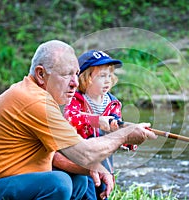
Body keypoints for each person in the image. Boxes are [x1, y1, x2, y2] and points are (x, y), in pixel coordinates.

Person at [0, 40, 157, 200]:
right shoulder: (35, 102)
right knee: (58, 183)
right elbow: (84, 153)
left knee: (79, 180)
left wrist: (95, 168)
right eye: (66, 74)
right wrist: (123, 135)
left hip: (7, 183)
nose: (75, 83)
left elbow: (56, 155)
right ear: (41, 74)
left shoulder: (39, 97)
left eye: (76, 73)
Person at [54, 50, 136, 200]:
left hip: (105, 161)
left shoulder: (113, 103)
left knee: (103, 193)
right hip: (82, 162)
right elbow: (71, 118)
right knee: (88, 192)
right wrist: (96, 120)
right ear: (85, 79)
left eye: (109, 76)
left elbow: (117, 129)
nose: (107, 80)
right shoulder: (76, 100)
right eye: (101, 76)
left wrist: (129, 138)